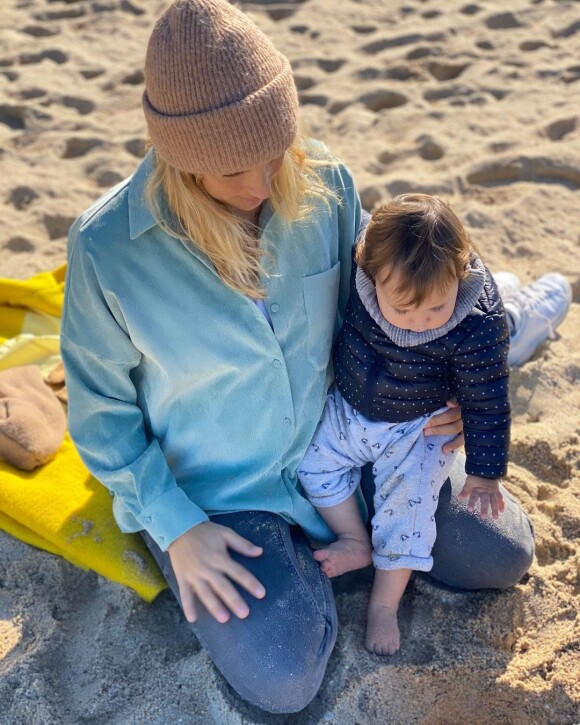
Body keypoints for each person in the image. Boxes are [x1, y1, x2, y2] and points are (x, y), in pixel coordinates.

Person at [60, 0, 569, 714]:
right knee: (282, 675)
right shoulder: (105, 248)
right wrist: (177, 527)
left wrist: (455, 392)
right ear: (178, 157)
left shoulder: (324, 180)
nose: (263, 185)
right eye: (233, 168)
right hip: (224, 498)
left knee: (502, 554)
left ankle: (343, 556)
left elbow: (406, 297)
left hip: (359, 446)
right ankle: (300, 564)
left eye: (276, 152)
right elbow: (100, 416)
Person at [298, 193, 512, 656]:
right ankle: (354, 539)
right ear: (370, 276)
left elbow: (488, 398)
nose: (418, 324)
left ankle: (384, 604)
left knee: (407, 513)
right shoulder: (364, 271)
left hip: (420, 426)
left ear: (461, 276)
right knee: (312, 463)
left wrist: (484, 471)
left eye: (435, 310)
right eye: (404, 311)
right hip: (353, 408)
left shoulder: (476, 325)